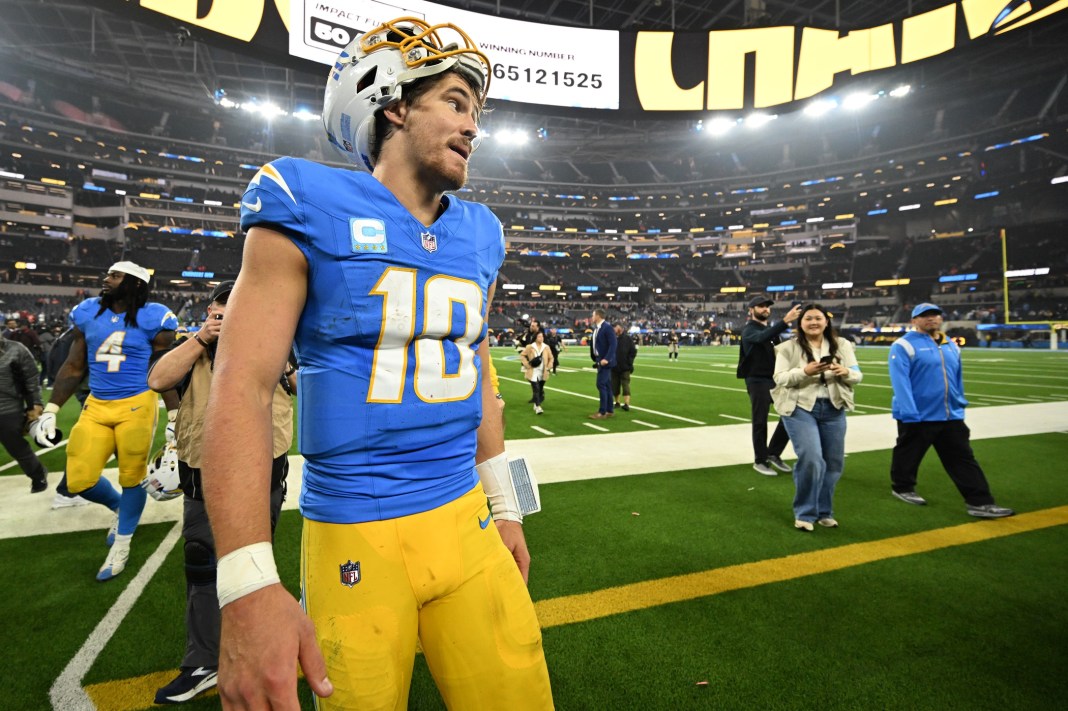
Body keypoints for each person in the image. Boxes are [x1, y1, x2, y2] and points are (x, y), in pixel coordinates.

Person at [200, 17, 553, 711]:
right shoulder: (306, 198)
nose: (472, 125)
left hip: (467, 522)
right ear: (393, 103)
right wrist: (245, 584)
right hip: (356, 533)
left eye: (475, 111)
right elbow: (241, 385)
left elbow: (479, 374)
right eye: (455, 101)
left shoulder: (480, 232)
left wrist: (507, 505)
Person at [147, 280, 295, 705]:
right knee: (200, 562)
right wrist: (201, 338)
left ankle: (256, 651)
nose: (222, 323)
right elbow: (159, 379)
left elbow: (308, 388)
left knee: (251, 566)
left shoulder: (275, 343)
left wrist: (280, 356)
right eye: (216, 315)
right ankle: (204, 660)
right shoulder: (193, 347)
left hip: (258, 472)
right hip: (202, 472)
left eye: (230, 316)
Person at [33, 261, 178, 580]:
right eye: (108, 273)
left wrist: (175, 413)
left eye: (114, 275)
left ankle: (122, 544)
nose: (106, 278)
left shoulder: (156, 317)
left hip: (137, 404)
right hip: (97, 404)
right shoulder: (88, 312)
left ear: (135, 283)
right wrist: (50, 409)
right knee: (78, 479)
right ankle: (119, 509)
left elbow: (162, 366)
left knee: (131, 475)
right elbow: (73, 366)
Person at [888, 303, 1015, 518]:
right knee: (908, 453)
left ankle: (980, 502)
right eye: (925, 316)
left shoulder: (951, 346)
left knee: (962, 458)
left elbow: (957, 377)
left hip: (949, 415)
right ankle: (902, 487)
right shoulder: (903, 346)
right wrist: (910, 413)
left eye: (935, 315)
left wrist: (959, 402)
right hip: (918, 415)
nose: (932, 319)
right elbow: (900, 382)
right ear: (914, 321)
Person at [772, 304, 863, 531]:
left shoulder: (842, 345)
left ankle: (824, 511)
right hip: (800, 407)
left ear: (826, 321)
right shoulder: (787, 348)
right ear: (800, 323)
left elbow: (857, 374)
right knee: (811, 458)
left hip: (834, 407)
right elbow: (780, 378)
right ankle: (805, 513)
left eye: (818, 318)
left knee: (833, 463)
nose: (814, 322)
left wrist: (846, 373)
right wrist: (805, 372)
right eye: (808, 318)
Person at [738, 294, 802, 476]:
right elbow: (760, 338)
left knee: (791, 412)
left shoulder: (770, 331)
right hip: (756, 379)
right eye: (760, 306)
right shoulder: (749, 329)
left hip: (774, 379)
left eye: (767, 306)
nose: (765, 309)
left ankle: (773, 452)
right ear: (751, 310)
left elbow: (779, 352)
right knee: (760, 420)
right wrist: (785, 321)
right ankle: (760, 460)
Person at [0, 330, 48, 492]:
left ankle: (37, 474)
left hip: (8, 408)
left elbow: (31, 378)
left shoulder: (16, 349)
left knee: (16, 447)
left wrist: (35, 404)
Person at [588, 308, 617, 420]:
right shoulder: (598, 328)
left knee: (600, 384)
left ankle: (602, 411)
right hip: (599, 359)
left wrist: (607, 359)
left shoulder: (607, 327)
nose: (592, 317)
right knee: (607, 385)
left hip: (605, 361)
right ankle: (609, 410)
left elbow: (613, 344)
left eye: (593, 315)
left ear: (598, 316)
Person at [520, 331, 553, 414]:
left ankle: (536, 403)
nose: (541, 338)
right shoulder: (530, 347)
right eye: (539, 336)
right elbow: (522, 355)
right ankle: (538, 407)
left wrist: (549, 366)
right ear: (535, 338)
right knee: (536, 388)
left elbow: (551, 358)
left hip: (543, 371)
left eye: (542, 337)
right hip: (533, 371)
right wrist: (527, 365)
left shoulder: (546, 347)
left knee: (540, 389)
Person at [612, 324, 636, 412]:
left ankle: (626, 404)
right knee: (615, 385)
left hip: (625, 366)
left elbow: (633, 351)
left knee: (625, 385)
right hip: (614, 366)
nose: (614, 329)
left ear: (621, 329)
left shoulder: (627, 339)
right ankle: (617, 402)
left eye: (616, 327)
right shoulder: (613, 338)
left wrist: (630, 363)